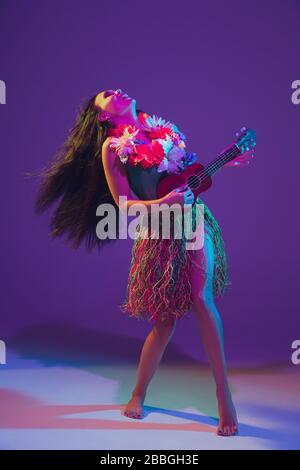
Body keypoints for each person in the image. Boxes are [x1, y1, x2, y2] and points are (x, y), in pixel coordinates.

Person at [36, 88, 252, 436]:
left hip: (195, 219)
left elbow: (189, 177)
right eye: (106, 95)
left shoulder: (161, 129)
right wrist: (163, 202)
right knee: (164, 324)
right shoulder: (113, 149)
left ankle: (222, 392)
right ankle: (139, 392)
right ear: (104, 117)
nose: (115, 90)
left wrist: (231, 159)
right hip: (159, 230)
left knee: (202, 298)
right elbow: (122, 205)